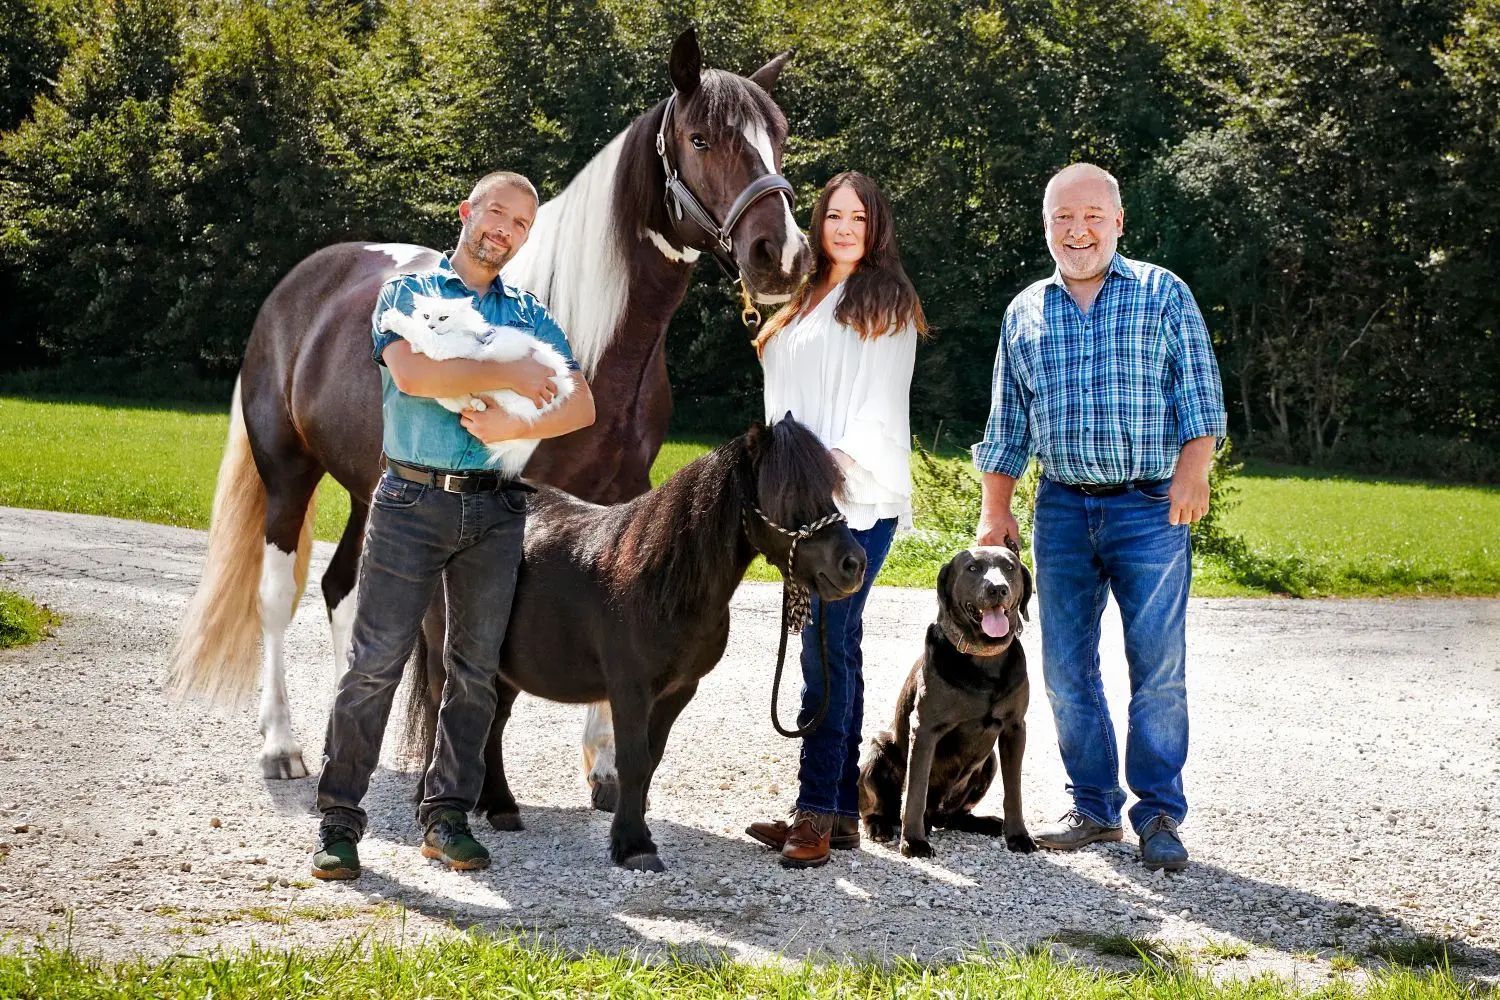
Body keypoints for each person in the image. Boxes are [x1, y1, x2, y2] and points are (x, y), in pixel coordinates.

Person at [311, 171, 597, 880]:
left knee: (473, 673)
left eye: (520, 223)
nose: (503, 229)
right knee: (375, 664)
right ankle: (339, 822)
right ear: (468, 212)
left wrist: (517, 417)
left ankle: (446, 817)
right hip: (411, 501)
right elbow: (412, 376)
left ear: (526, 237)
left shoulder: (529, 311)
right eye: (495, 212)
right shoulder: (411, 293)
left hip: (497, 508)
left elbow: (581, 403)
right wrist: (505, 366)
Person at [973, 162, 1225, 871]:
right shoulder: (1025, 310)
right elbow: (1006, 424)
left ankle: (1159, 814)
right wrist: (996, 509)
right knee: (1065, 668)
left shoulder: (1162, 294)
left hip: (1151, 506)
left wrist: (1192, 472)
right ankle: (1092, 806)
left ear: (1118, 222)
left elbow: (1200, 397)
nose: (1077, 231)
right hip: (1060, 510)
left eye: (1091, 217)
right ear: (1047, 225)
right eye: (1062, 218)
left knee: (1158, 668)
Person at [746, 171, 927, 869]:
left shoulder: (885, 300)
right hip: (801, 503)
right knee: (833, 645)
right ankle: (841, 812)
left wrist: (821, 487)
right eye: (833, 216)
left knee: (825, 648)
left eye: (859, 217)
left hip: (852, 501)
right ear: (817, 225)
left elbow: (876, 409)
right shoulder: (802, 297)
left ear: (877, 226)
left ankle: (816, 811)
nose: (845, 228)